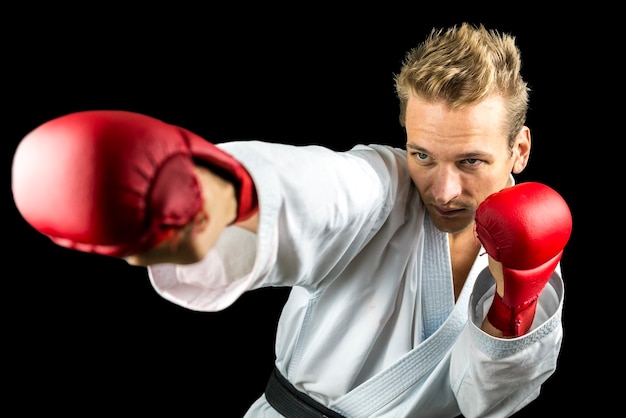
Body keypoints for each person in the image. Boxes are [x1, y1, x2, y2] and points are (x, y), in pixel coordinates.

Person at [11, 22, 572, 417]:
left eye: (471, 161)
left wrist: (512, 305)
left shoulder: (531, 246)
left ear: (519, 150)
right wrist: (222, 194)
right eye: (423, 154)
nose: (443, 189)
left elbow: (485, 404)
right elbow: (329, 188)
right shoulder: (382, 183)